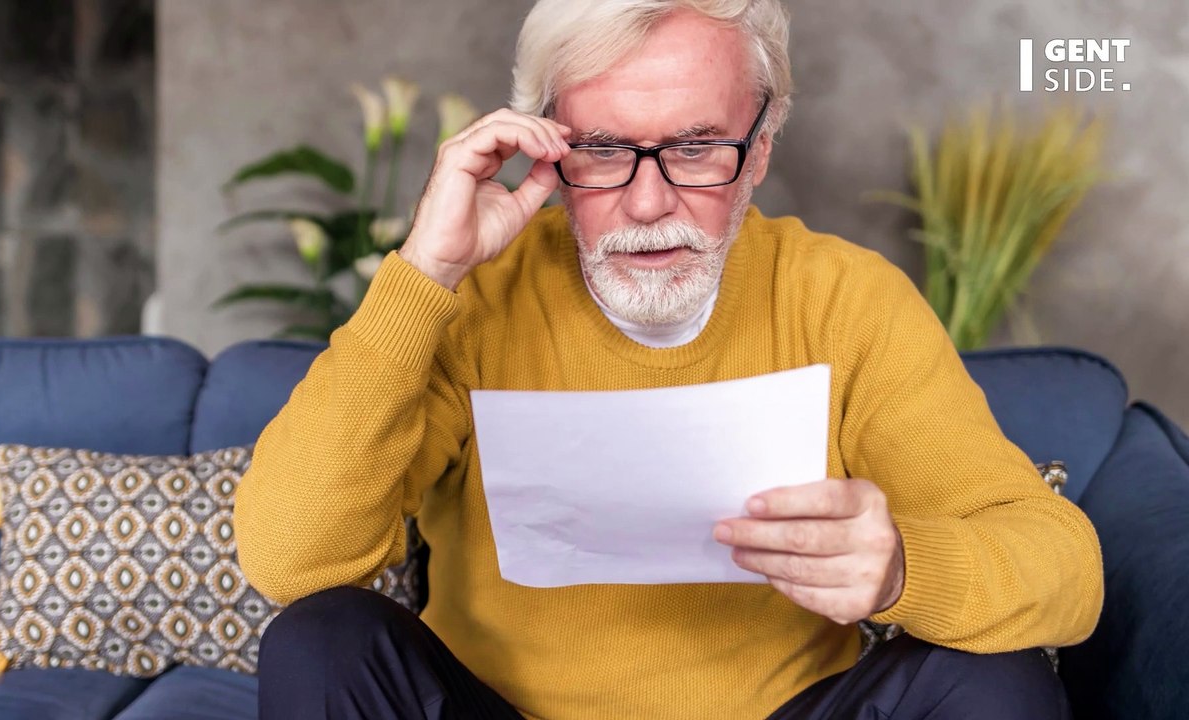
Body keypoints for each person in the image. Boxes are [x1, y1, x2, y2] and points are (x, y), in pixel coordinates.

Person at [233, 1, 1104, 717]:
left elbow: (1066, 574)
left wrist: (904, 569)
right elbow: (289, 559)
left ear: (759, 148)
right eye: (605, 151)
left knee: (998, 682)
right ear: (546, 148)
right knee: (319, 641)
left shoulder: (847, 300)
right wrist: (426, 272)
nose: (648, 204)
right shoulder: (478, 298)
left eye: (694, 149)